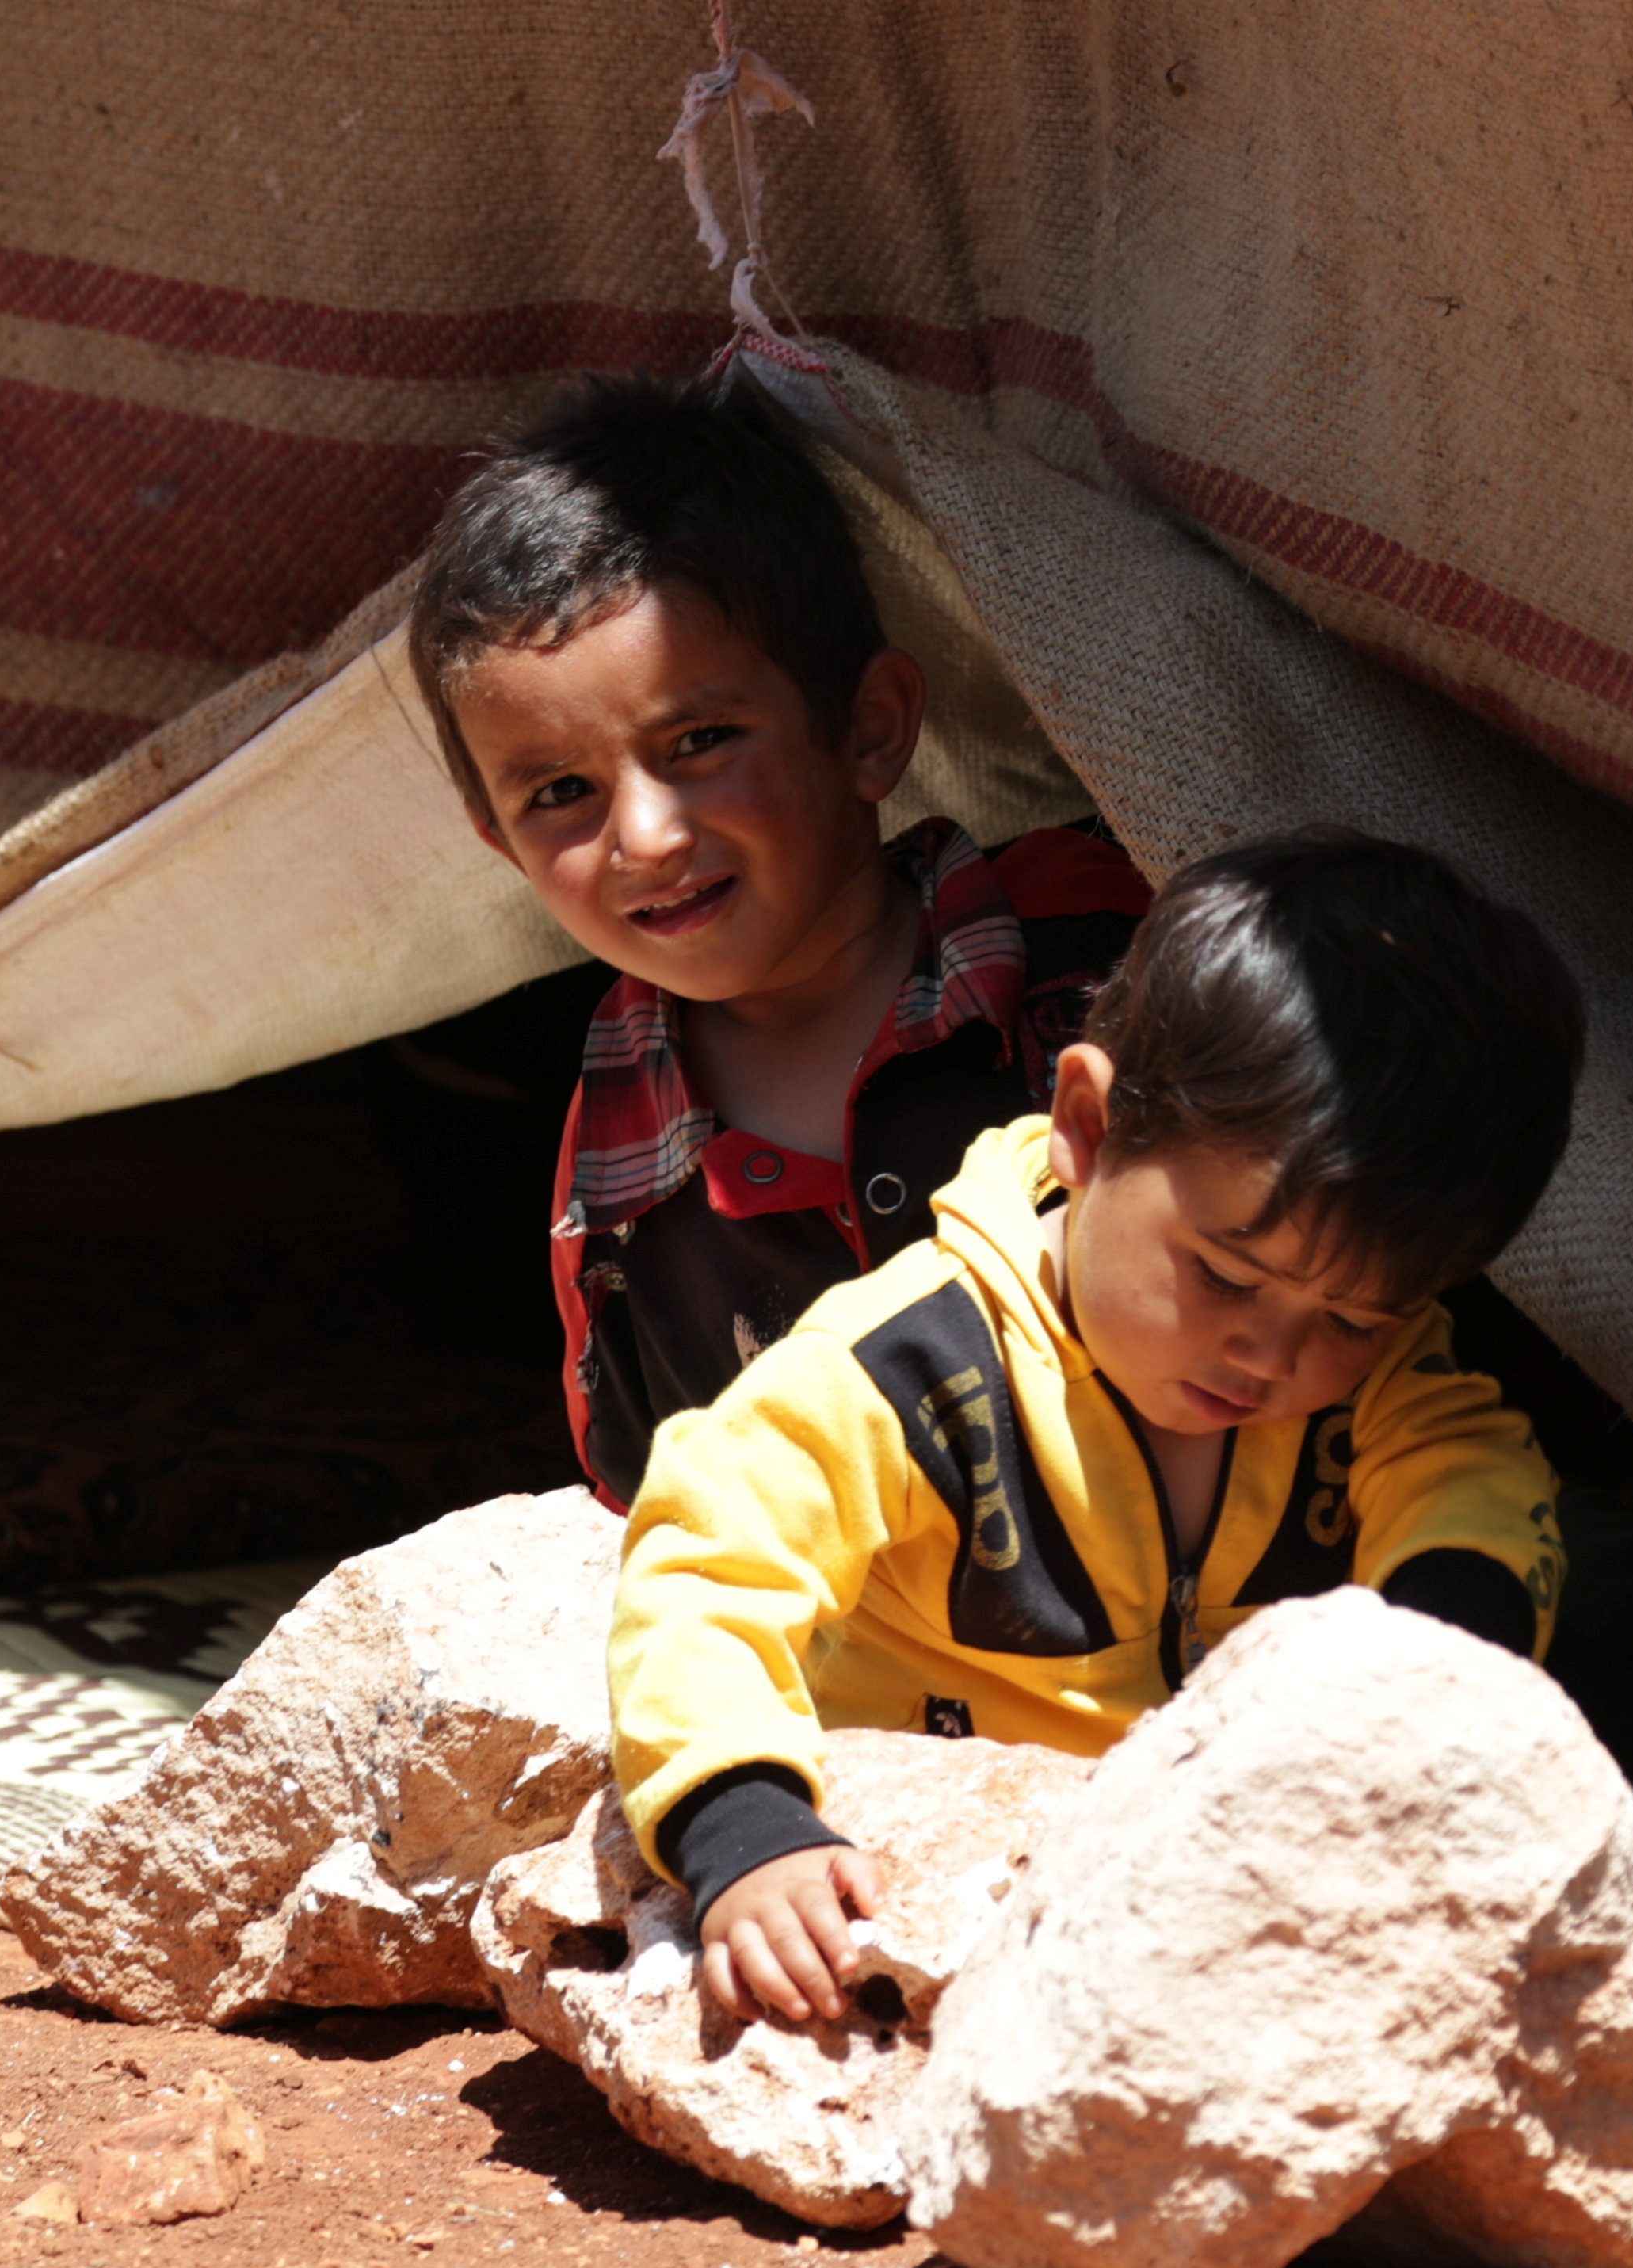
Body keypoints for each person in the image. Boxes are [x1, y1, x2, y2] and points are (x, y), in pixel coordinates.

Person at [605, 833, 1633, 2026]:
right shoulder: (906, 1366)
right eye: (1228, 1275)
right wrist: (748, 1826)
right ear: (1084, 1123)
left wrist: (1433, 1663)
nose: (1273, 1352)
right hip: (1003, 1855)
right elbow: (705, 1559)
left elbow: (1467, 1471)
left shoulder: (1381, 1377)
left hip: (1285, 1854)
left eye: (1352, 1316)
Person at [407, 370, 1148, 1511]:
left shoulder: (1095, 954)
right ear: (503, 848)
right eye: (560, 791)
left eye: (700, 739)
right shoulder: (618, 1173)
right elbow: (652, 1517)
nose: (645, 838)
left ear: (869, 729)